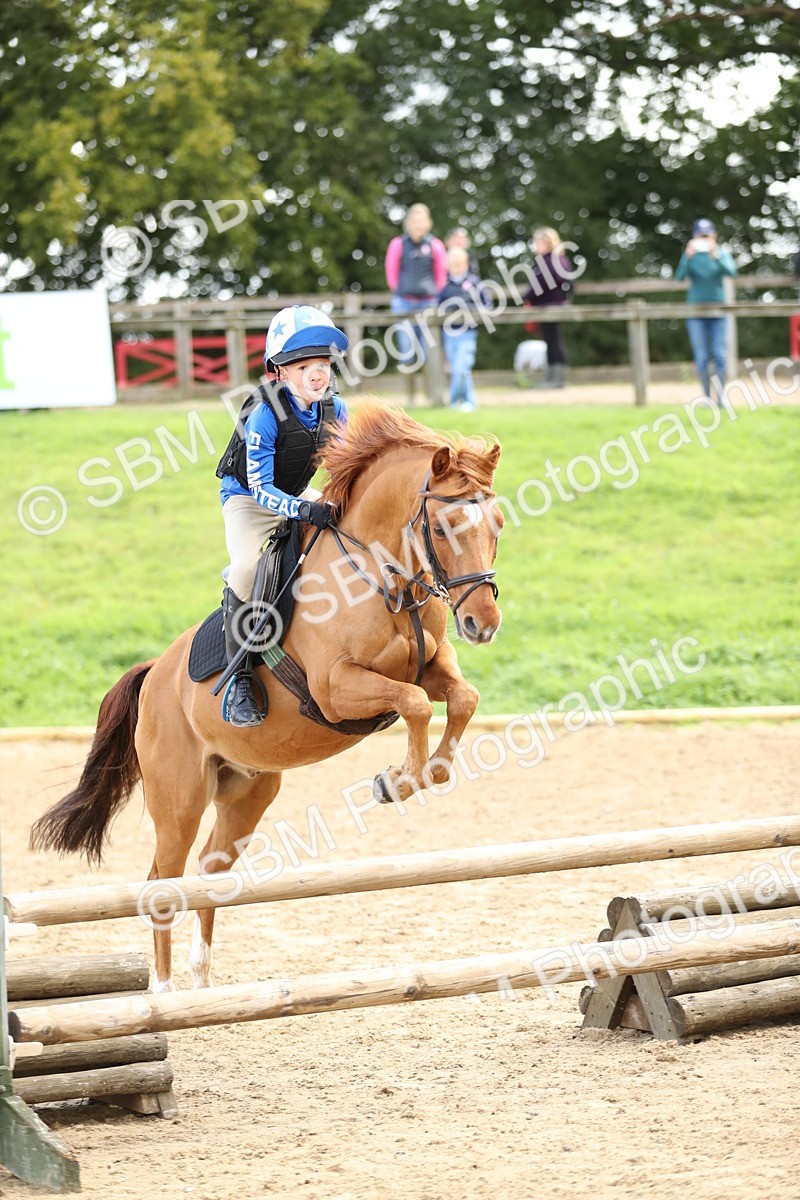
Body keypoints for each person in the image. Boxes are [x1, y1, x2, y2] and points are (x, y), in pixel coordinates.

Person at [214, 305, 348, 727]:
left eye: (322, 363)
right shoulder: (264, 414)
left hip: (293, 492)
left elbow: (341, 470)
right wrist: (306, 508)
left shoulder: (337, 411)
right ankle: (239, 675)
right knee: (248, 567)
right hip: (249, 501)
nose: (316, 374)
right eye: (302, 365)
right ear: (279, 371)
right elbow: (261, 489)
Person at [675, 218, 737, 405]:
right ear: (694, 237)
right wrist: (687, 257)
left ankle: (721, 398)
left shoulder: (721, 254)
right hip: (696, 312)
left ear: (713, 235)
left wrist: (715, 255)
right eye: (700, 235)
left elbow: (732, 272)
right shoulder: (691, 257)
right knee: (701, 357)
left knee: (719, 355)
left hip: (718, 312)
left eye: (706, 235)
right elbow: (679, 277)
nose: (703, 238)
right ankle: (706, 397)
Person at [384, 203, 447, 369]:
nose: (418, 224)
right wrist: (400, 292)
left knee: (429, 353)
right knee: (407, 353)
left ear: (428, 223)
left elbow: (441, 274)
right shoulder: (398, 244)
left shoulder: (436, 245)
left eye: (421, 220)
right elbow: (391, 272)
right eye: (415, 220)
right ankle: (409, 394)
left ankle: (431, 393)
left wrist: (434, 294)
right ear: (408, 223)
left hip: (429, 303)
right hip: (403, 302)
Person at [438, 246, 488, 411]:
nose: (457, 266)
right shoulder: (443, 285)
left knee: (461, 367)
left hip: (468, 332)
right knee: (457, 370)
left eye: (460, 263)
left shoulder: (474, 282)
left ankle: (456, 401)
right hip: (449, 333)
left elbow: (486, 304)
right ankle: (465, 401)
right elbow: (437, 308)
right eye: (453, 263)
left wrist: (471, 309)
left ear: (466, 263)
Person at [522, 227, 574, 388]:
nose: (535, 245)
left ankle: (556, 380)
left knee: (553, 341)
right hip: (550, 305)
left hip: (550, 306)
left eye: (538, 242)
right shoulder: (555, 260)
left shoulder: (551, 261)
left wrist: (527, 296)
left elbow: (542, 284)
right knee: (552, 341)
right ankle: (552, 379)